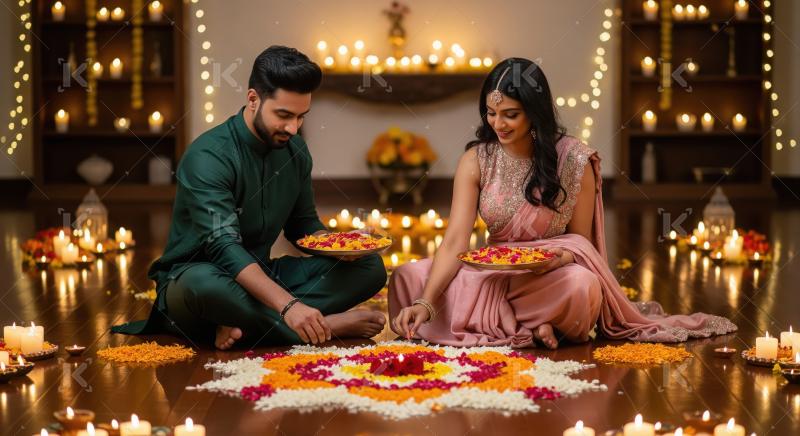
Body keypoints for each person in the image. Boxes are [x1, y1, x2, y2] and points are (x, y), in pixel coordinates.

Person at [389, 58, 736, 348]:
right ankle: (536, 328)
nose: (498, 124)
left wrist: (559, 259)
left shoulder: (574, 160)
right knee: (407, 277)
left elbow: (580, 242)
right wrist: (426, 301)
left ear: (535, 112)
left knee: (582, 287)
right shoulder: (477, 160)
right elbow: (455, 241)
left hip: (547, 277)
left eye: (510, 114)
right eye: (491, 113)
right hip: (491, 274)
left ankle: (515, 324)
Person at [112, 46, 387, 349]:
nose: (293, 128)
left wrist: (343, 247)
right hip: (199, 278)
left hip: (261, 275)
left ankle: (241, 324)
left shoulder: (295, 152)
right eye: (283, 115)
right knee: (203, 286)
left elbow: (304, 226)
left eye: (301, 117)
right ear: (253, 99)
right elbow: (223, 247)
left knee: (370, 267)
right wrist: (289, 306)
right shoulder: (208, 156)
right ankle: (322, 327)